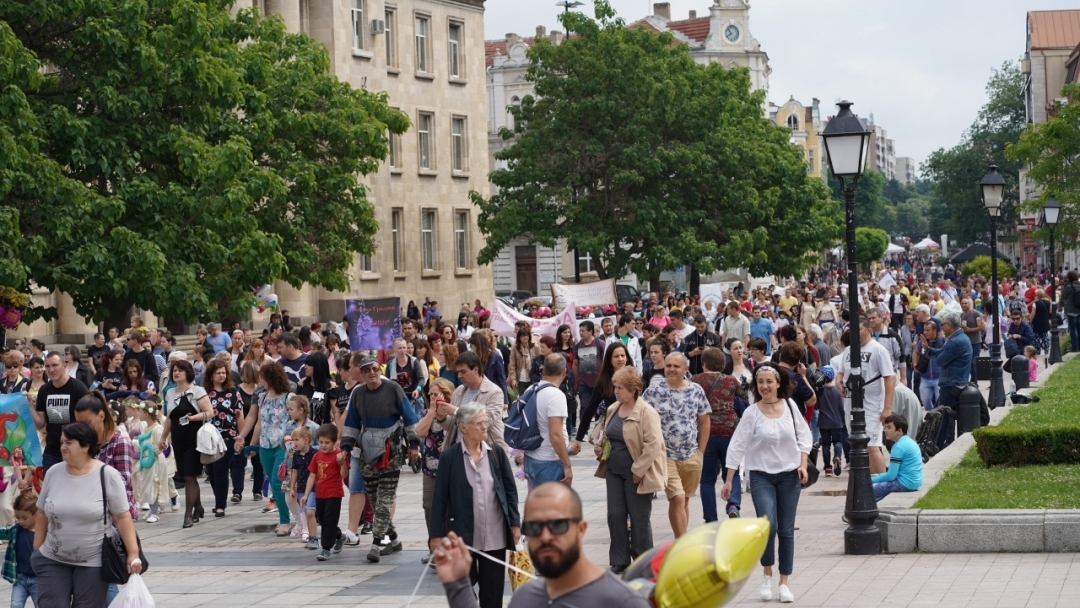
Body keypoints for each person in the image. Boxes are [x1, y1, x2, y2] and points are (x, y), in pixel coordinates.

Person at [433, 483, 651, 608]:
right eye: (534, 527)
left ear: (581, 529)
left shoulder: (621, 602)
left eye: (557, 525)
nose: (545, 536)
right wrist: (458, 584)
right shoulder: (524, 598)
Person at [722, 363, 810, 604]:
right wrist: (729, 481)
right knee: (768, 527)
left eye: (769, 381)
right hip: (761, 475)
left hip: (790, 475)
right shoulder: (751, 412)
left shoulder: (791, 407)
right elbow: (737, 446)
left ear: (778, 384)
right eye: (760, 382)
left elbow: (804, 437)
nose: (765, 386)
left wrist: (802, 465)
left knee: (786, 529)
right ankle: (766, 573)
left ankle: (784, 582)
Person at [32, 422, 142, 608]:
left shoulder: (107, 475)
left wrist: (133, 553)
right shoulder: (53, 472)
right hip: (53, 558)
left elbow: (122, 517)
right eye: (61, 442)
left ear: (85, 446)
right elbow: (42, 512)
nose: (63, 447)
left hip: (94, 561)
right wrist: (37, 548)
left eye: (69, 443)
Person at [429, 403, 521, 608]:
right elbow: (439, 499)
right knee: (465, 590)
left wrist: (515, 523)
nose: (484, 427)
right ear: (463, 427)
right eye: (478, 423)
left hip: (495, 535)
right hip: (463, 537)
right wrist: (435, 535)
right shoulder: (449, 457)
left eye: (485, 422)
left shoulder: (495, 452)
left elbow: (510, 490)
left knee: (493, 594)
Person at [339, 354, 420, 562]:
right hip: (367, 453)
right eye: (367, 370)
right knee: (375, 501)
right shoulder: (358, 394)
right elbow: (352, 423)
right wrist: (346, 447)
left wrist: (413, 444)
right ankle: (394, 540)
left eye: (375, 368)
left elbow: (410, 417)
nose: (372, 373)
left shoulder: (394, 389)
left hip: (391, 452)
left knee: (384, 500)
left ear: (380, 369)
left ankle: (376, 543)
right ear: (362, 373)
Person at [591, 366, 665, 572]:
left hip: (636, 474)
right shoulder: (613, 408)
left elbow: (653, 445)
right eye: (615, 387)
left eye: (620, 387)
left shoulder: (646, 412)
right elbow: (609, 435)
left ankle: (643, 562)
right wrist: (601, 448)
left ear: (633, 390)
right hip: (614, 470)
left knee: (639, 518)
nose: (616, 391)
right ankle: (620, 560)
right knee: (615, 515)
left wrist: (638, 470)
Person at [642, 352, 709, 538]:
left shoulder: (696, 390)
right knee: (677, 498)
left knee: (684, 500)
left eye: (676, 366)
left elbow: (704, 421)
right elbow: (642, 421)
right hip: (665, 456)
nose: (671, 369)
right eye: (668, 365)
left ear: (686, 369)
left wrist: (700, 452)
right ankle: (682, 544)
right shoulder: (652, 392)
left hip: (691, 455)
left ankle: (682, 539)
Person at [835, 316, 897, 475]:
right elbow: (841, 371)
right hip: (850, 405)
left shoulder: (878, 350)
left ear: (868, 330)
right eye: (851, 330)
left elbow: (889, 378)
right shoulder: (848, 350)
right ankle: (867, 480)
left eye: (858, 330)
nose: (854, 333)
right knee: (857, 445)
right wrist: (839, 380)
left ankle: (882, 481)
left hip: (870, 405)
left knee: (871, 445)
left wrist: (887, 408)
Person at [160, 360, 214, 528]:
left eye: (180, 371)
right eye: (174, 371)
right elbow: (169, 417)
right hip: (178, 438)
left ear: (188, 373)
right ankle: (198, 507)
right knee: (186, 475)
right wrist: (163, 437)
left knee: (191, 476)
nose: (176, 373)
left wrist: (192, 418)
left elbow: (210, 412)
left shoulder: (197, 390)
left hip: (194, 438)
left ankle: (188, 515)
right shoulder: (169, 393)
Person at [692, 348, 743, 521]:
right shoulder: (731, 380)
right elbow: (743, 401)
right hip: (730, 431)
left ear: (704, 363)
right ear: (722, 364)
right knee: (733, 472)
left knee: (707, 479)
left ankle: (710, 518)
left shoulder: (695, 380)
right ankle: (733, 504)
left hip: (706, 434)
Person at [73, 392, 137, 520]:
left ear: (101, 416)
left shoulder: (119, 442)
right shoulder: (80, 443)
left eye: (87, 422)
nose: (83, 428)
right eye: (79, 423)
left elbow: (124, 481)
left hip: (116, 514)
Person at [31, 352, 89, 472]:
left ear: (64, 365)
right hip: (52, 450)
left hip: (75, 448)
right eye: (47, 366)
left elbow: (87, 421)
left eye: (54, 365)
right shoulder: (44, 390)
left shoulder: (78, 388)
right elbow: (40, 424)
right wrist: (29, 405)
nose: (51, 370)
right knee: (51, 487)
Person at [923, 311, 973, 449]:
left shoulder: (955, 341)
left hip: (951, 384)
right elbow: (943, 352)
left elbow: (940, 360)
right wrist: (929, 349)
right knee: (938, 413)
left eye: (943, 325)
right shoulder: (958, 337)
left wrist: (934, 354)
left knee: (942, 416)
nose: (942, 328)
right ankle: (937, 442)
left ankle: (937, 445)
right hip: (955, 382)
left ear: (949, 325)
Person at [299, 424, 348, 561]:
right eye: (321, 442)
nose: (323, 445)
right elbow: (312, 476)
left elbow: (344, 474)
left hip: (334, 493)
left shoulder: (338, 456)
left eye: (327, 443)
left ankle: (326, 548)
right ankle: (339, 536)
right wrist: (306, 494)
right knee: (322, 519)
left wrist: (343, 463)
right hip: (320, 493)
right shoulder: (317, 456)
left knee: (329, 520)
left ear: (334, 442)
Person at [201, 359, 243, 517]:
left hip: (228, 435)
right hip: (208, 436)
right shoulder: (203, 392)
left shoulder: (233, 391)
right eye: (218, 373)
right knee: (210, 470)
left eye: (224, 373)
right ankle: (219, 498)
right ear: (211, 375)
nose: (221, 375)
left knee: (220, 469)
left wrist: (241, 435)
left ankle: (220, 505)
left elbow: (240, 416)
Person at [572, 342, 629, 453]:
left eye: (623, 355)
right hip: (612, 431)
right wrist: (579, 438)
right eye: (616, 356)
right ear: (609, 359)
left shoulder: (635, 378)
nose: (620, 359)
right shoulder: (603, 382)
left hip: (632, 429)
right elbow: (590, 410)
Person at [451, 351, 509, 454]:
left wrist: (456, 411)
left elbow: (487, 423)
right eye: (458, 372)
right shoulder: (458, 391)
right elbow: (452, 425)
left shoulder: (494, 392)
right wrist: (441, 417)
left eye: (463, 372)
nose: (459, 376)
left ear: (476, 369)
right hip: (461, 452)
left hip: (487, 452)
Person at [231, 361, 264, 503]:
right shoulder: (237, 390)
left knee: (258, 463)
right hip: (242, 430)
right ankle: (237, 491)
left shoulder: (261, 390)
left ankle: (257, 490)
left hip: (258, 430)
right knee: (238, 462)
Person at [871, 414, 923, 501]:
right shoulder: (909, 441)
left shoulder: (898, 447)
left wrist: (871, 480)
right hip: (914, 482)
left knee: (870, 489)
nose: (885, 430)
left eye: (889, 427)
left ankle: (869, 513)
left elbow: (891, 476)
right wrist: (878, 475)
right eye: (885, 427)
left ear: (899, 431)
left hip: (904, 484)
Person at [1, 491, 39, 608]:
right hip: (20, 579)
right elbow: (3, 531)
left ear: (36, 514)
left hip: (38, 580)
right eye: (18, 517)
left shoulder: (43, 534)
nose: (20, 521)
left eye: (24, 518)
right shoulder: (16, 529)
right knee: (15, 605)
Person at [816, 366, 848, 476]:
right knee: (837, 442)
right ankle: (837, 457)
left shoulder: (820, 391)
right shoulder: (837, 391)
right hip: (837, 421)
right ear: (833, 376)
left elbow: (816, 406)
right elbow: (841, 407)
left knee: (825, 445)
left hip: (823, 422)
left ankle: (828, 468)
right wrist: (844, 421)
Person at [911, 318, 944, 411]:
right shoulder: (922, 341)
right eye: (924, 330)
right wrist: (915, 363)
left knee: (940, 402)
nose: (925, 332)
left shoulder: (942, 341)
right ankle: (931, 415)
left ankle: (938, 419)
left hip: (939, 378)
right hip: (925, 377)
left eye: (928, 330)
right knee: (925, 401)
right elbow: (915, 352)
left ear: (935, 331)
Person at [507, 328, 539, 397]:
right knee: (522, 398)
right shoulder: (515, 348)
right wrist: (513, 380)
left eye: (527, 335)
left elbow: (539, 363)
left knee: (533, 398)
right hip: (521, 379)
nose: (525, 337)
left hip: (532, 378)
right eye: (522, 336)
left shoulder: (535, 347)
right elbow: (512, 366)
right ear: (519, 338)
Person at [960, 298, 985, 383]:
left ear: (969, 304)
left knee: (974, 362)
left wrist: (969, 330)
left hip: (975, 342)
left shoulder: (976, 314)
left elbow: (981, 327)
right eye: (962, 303)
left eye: (965, 303)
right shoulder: (961, 316)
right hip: (965, 343)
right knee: (967, 362)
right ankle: (968, 380)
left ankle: (974, 381)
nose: (964, 305)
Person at [1061, 270, 1080, 352]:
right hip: (1079, 309)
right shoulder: (1079, 285)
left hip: (1071, 310)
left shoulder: (1069, 286)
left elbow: (1063, 296)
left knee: (1073, 330)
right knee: (1079, 329)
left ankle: (1075, 348)